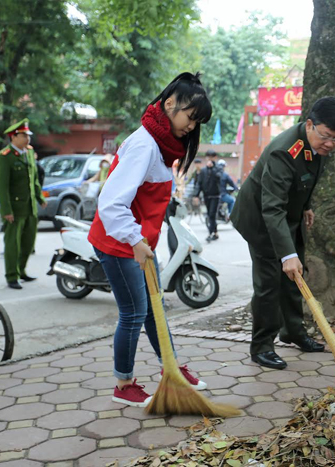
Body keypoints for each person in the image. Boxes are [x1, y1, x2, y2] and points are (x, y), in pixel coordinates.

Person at [87, 72, 211, 407]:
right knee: (135, 311)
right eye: (190, 117)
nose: (191, 126)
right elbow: (111, 203)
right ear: (170, 104)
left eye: (197, 121)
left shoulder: (158, 143)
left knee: (155, 309)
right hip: (120, 243)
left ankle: (169, 367)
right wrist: (136, 242)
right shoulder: (144, 144)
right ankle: (123, 384)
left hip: (138, 243)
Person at [231, 96, 335, 370]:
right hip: (261, 220)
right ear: (310, 125)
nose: (331, 144)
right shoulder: (284, 152)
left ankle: (293, 332)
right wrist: (286, 254)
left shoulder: (316, 146)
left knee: (295, 276)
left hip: (288, 216)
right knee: (269, 283)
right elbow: (270, 209)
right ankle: (261, 346)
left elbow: (306, 180)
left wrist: (306, 206)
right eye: (327, 136)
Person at [0, 118, 46, 289]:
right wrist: (6, 210)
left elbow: (34, 179)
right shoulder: (4, 157)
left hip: (30, 207)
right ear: (13, 137)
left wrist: (40, 198)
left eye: (28, 135)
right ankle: (11, 275)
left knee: (28, 243)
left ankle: (21, 270)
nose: (28, 138)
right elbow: (2, 187)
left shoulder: (29, 152)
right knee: (12, 244)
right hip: (14, 210)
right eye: (24, 135)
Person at [195, 149, 222, 241]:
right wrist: (196, 195)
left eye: (212, 157)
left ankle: (210, 234)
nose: (210, 159)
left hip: (216, 196)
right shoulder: (203, 170)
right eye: (208, 157)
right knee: (211, 215)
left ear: (215, 158)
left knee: (211, 214)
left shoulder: (218, 168)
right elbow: (199, 183)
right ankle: (216, 232)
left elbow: (219, 177)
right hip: (206, 196)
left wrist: (213, 168)